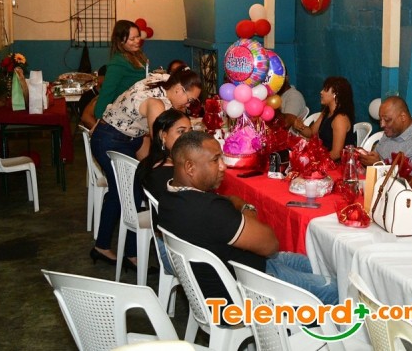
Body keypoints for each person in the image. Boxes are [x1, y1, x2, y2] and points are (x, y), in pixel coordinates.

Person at [157, 131, 338, 304]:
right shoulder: (211, 210)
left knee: (320, 264)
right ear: (190, 167)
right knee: (339, 290)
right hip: (253, 287)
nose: (223, 166)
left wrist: (229, 205)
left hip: (232, 272)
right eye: (215, 160)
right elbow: (270, 244)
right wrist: (246, 208)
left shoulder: (167, 198)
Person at [89, 69, 202, 267]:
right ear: (178, 89)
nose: (188, 105)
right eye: (190, 100)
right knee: (125, 193)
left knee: (138, 186)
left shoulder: (165, 82)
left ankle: (124, 248)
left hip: (131, 137)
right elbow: (160, 142)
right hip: (110, 138)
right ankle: (113, 250)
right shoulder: (156, 103)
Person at [137, 109, 193, 272]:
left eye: (190, 131)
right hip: (179, 254)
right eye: (181, 132)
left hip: (173, 243)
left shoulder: (150, 162)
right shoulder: (166, 175)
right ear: (163, 135)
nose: (188, 138)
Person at [358, 96, 412, 191]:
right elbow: (376, 157)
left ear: (403, 117)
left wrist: (379, 166)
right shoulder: (393, 130)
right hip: (374, 187)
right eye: (380, 120)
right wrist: (364, 158)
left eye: (387, 120)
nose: (382, 125)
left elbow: (409, 189)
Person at [292, 76, 356, 161]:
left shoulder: (340, 119)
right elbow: (311, 133)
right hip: (326, 160)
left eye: (325, 90)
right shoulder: (326, 112)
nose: (321, 92)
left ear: (335, 94)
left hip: (338, 165)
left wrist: (314, 160)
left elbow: (336, 154)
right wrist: (299, 126)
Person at [94, 20, 148, 120]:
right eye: (132, 39)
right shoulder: (118, 63)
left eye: (138, 36)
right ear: (121, 41)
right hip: (126, 113)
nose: (137, 41)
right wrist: (100, 117)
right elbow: (107, 91)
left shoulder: (138, 56)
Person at [79, 65, 107, 129]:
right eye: (108, 78)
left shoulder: (113, 95)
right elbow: (86, 121)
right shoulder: (87, 97)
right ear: (99, 78)